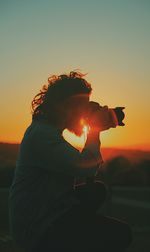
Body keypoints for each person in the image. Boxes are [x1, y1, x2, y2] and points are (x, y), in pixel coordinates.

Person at [9, 71, 132, 252]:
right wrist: (94, 129)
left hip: (49, 213)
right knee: (120, 233)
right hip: (38, 230)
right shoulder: (42, 136)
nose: (86, 112)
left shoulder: (46, 131)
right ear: (65, 106)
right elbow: (87, 168)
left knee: (96, 191)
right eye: (83, 106)